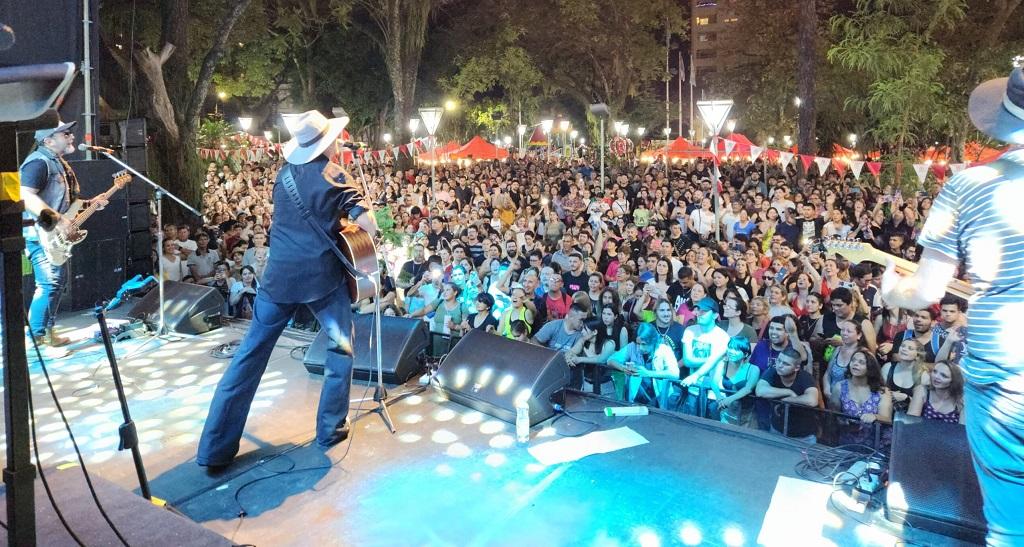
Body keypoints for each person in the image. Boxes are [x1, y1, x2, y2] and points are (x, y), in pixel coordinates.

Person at [881, 68, 1024, 544]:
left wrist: (890, 291)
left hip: (1005, 377)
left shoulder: (970, 186)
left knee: (1009, 519)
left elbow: (925, 292)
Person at [198, 111, 378, 470]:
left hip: (277, 279)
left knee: (249, 357)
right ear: (329, 142)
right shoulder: (335, 175)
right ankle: (329, 429)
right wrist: (354, 220)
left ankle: (214, 447)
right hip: (321, 283)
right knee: (340, 349)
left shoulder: (283, 176)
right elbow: (369, 225)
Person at [20, 120, 109, 350]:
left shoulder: (59, 163)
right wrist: (57, 220)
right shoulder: (39, 163)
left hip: (52, 235)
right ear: (48, 140)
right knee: (49, 283)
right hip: (39, 234)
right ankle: (36, 338)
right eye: (65, 134)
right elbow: (25, 196)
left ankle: (48, 333)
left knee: (57, 283)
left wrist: (91, 204)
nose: (71, 137)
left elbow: (67, 204)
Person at [606, 322, 681, 409]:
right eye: (638, 343)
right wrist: (623, 368)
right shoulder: (632, 347)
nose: (640, 348)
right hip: (636, 399)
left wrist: (648, 373)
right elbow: (610, 360)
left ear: (653, 341)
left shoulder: (664, 350)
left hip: (660, 399)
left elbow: (675, 374)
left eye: (644, 344)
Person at [756, 346, 820, 442]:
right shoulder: (772, 371)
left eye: (786, 364)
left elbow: (812, 400)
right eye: (779, 361)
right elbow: (760, 391)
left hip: (804, 436)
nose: (780, 365)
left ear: (796, 368)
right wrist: (788, 392)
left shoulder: (805, 377)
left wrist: (787, 400)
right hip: (777, 431)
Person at [830, 349, 892, 446]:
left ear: (870, 368)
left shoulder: (882, 392)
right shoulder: (839, 387)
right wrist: (844, 422)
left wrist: (875, 417)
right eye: (853, 360)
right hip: (847, 443)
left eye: (861, 362)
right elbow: (833, 415)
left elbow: (887, 419)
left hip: (876, 446)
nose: (855, 364)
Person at [533, 302, 589, 388]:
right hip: (549, 371)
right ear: (571, 316)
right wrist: (549, 356)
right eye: (581, 320)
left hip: (569, 376)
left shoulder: (582, 334)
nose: (583, 323)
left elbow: (573, 356)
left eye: (585, 320)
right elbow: (534, 341)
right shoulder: (554, 326)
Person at [711, 336, 761, 427]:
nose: (731, 351)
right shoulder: (723, 364)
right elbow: (714, 382)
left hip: (747, 414)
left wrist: (728, 400)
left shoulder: (753, 369)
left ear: (745, 354)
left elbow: (748, 389)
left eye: (736, 349)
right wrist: (719, 397)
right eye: (730, 347)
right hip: (727, 410)